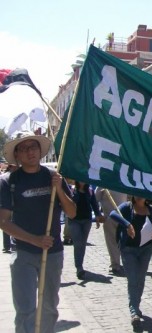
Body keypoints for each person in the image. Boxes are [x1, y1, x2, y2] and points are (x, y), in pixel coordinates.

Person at [0, 131, 76, 333]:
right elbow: (3, 221)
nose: (29, 152)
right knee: (25, 309)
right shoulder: (9, 182)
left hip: (52, 253)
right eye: (23, 149)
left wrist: (59, 189)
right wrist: (34, 240)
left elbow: (72, 212)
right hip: (23, 253)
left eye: (33, 147)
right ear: (17, 155)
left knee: (49, 307)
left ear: (40, 151)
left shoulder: (53, 177)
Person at [110, 196, 152, 330]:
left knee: (141, 278)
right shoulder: (127, 207)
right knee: (132, 279)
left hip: (146, 248)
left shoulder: (151, 210)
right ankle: (134, 311)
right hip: (128, 249)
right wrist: (127, 224)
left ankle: (136, 305)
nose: (139, 196)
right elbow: (113, 213)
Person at [69, 181, 105, 280]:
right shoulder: (72, 190)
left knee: (82, 243)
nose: (82, 181)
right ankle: (79, 267)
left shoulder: (90, 191)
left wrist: (98, 216)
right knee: (78, 243)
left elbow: (94, 205)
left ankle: (80, 263)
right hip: (74, 220)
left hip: (86, 220)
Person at [95, 187, 127, 275]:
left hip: (122, 217)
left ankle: (120, 264)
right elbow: (95, 199)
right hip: (110, 217)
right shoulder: (103, 184)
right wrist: (98, 214)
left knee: (120, 242)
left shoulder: (122, 180)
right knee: (113, 242)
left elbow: (95, 198)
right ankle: (116, 264)